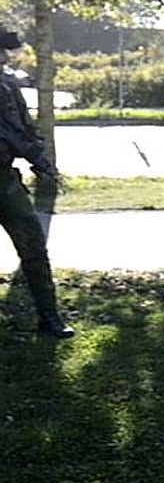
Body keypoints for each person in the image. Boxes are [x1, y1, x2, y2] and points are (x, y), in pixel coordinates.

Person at [0, 22, 74, 338]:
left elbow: (26, 129)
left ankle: (49, 318)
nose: (6, 56)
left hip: (4, 180)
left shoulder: (7, 85)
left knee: (33, 247)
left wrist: (40, 160)